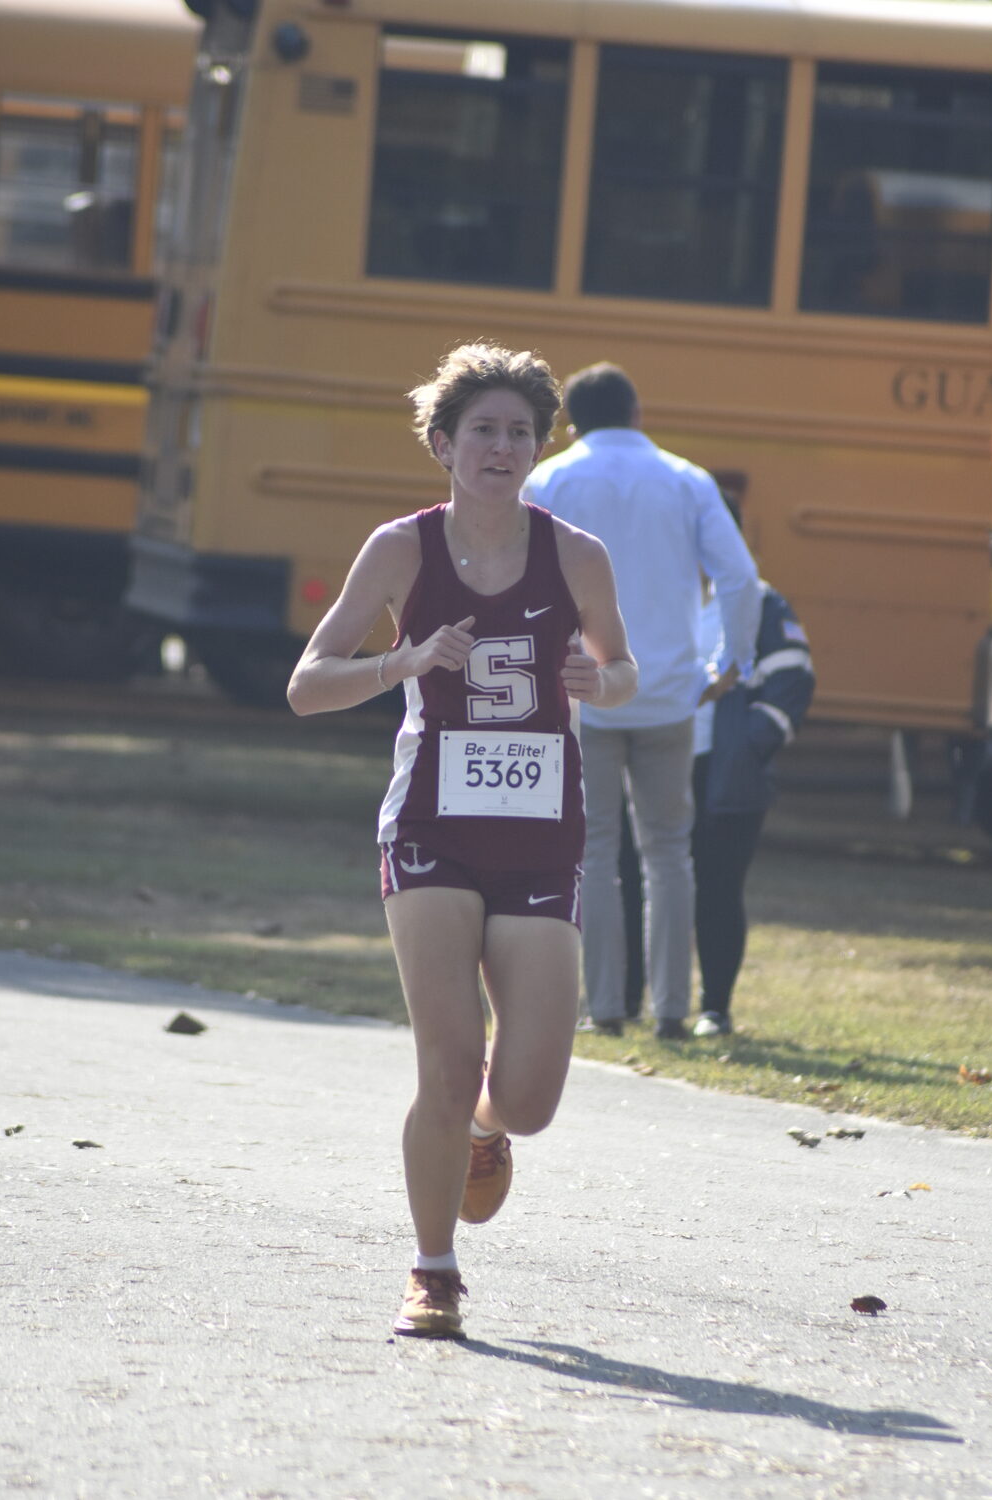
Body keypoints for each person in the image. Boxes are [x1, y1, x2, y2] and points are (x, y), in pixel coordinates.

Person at [287, 343, 637, 1341]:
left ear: (541, 446)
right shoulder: (402, 549)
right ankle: (432, 1272)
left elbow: (626, 674)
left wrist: (594, 679)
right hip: (432, 828)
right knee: (446, 1062)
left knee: (523, 1097)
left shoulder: (577, 554)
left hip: (541, 834)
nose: (502, 446)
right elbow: (307, 685)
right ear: (442, 444)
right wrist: (403, 660)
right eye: (482, 429)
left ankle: (488, 1133)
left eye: (520, 431)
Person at [525, 363, 760, 1041]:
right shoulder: (687, 479)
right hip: (668, 695)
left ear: (570, 421)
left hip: (583, 693)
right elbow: (739, 576)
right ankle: (672, 1010)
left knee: (592, 849)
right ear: (636, 412)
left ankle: (603, 1007)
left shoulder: (552, 478)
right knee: (669, 853)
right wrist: (731, 664)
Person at [691, 496, 815, 1036]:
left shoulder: (760, 601)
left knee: (718, 889)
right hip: (658, 759)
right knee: (644, 883)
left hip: (725, 770)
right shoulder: (658, 596)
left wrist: (748, 743)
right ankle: (632, 1002)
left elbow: (794, 677)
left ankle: (714, 1007)